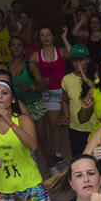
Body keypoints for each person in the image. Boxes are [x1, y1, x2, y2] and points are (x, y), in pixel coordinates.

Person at [30, 26, 70, 172]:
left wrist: (65, 37)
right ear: (39, 38)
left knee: (55, 125)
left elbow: (73, 55)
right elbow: (30, 74)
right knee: (44, 126)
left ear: (53, 37)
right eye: (42, 35)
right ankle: (54, 152)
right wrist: (39, 80)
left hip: (60, 91)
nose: (46, 37)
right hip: (45, 93)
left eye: (48, 34)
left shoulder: (60, 51)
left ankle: (57, 153)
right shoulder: (35, 56)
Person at [60, 44, 100, 156]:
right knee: (79, 160)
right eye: (74, 60)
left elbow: (95, 88)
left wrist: (83, 75)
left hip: (95, 127)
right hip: (75, 128)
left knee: (98, 162)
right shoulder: (66, 79)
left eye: (81, 59)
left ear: (88, 60)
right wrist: (66, 116)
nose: (78, 63)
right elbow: (64, 101)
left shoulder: (97, 78)